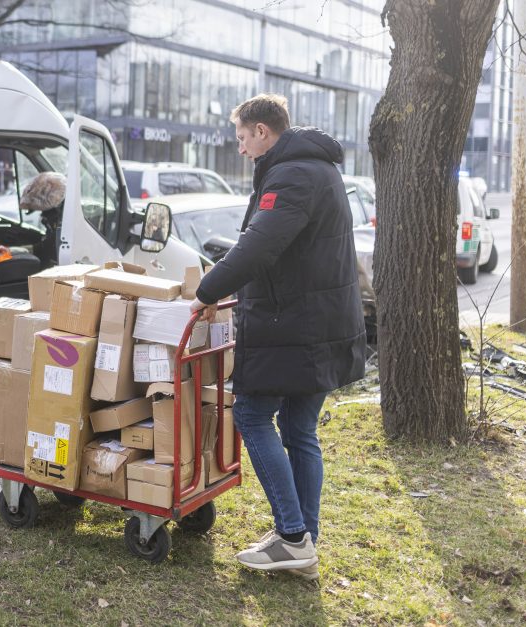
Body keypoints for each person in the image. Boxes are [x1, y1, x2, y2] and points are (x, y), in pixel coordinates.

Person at [190, 94, 366, 577]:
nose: (242, 149)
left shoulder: (292, 175)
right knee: (299, 429)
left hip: (295, 325)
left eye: (244, 138)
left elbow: (260, 245)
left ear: (263, 132)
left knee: (249, 413)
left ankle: (292, 536)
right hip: (322, 323)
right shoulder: (316, 168)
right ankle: (303, 541)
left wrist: (205, 292)